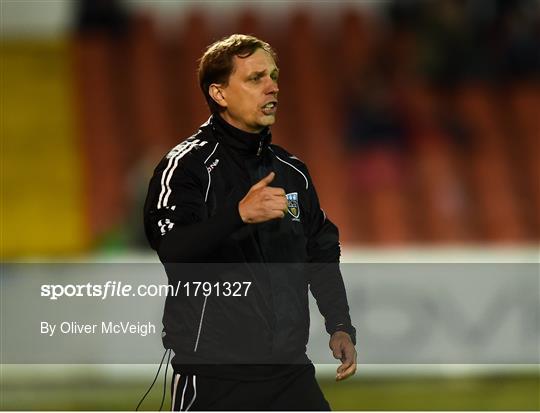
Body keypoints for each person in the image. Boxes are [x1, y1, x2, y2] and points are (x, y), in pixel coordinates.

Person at [144, 34, 356, 411]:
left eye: (274, 76)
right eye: (256, 78)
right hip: (213, 376)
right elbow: (172, 249)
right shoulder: (186, 167)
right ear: (219, 93)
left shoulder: (291, 173)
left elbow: (318, 249)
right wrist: (238, 215)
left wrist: (339, 323)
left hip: (289, 372)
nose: (273, 86)